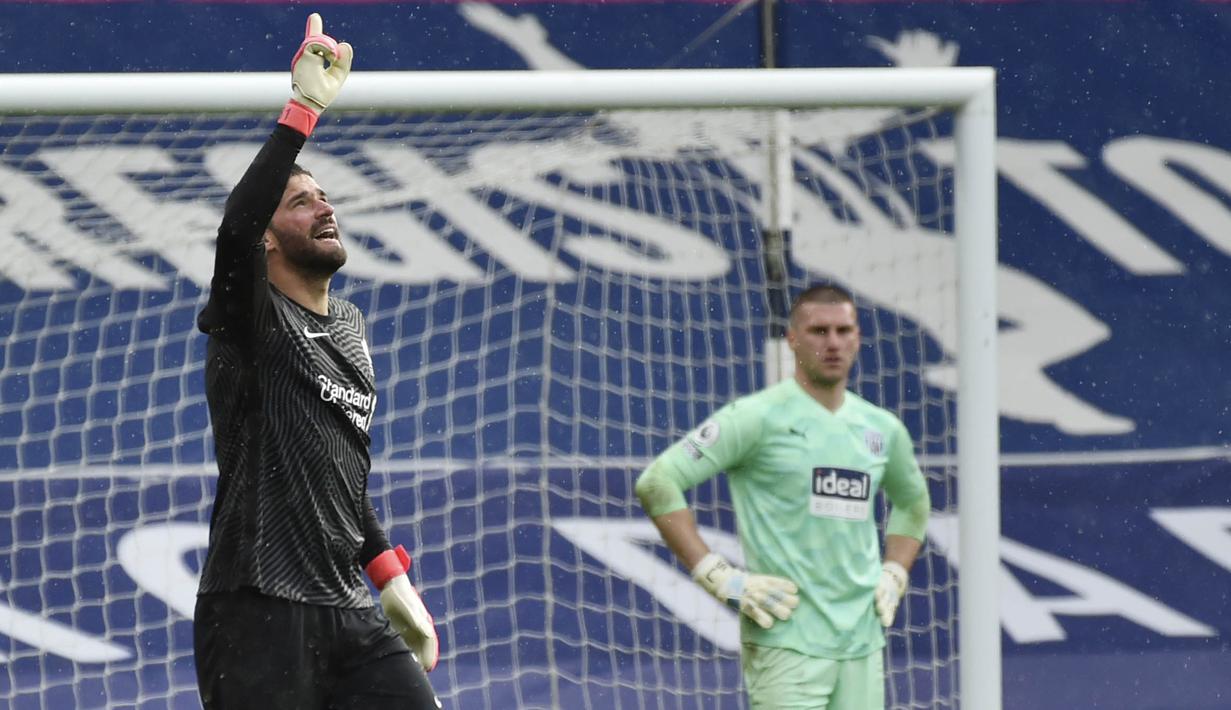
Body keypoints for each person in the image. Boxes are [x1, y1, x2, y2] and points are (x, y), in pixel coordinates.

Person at [193, 14, 442, 709]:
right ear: (267, 244)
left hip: (345, 606)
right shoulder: (251, 318)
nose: (323, 208)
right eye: (300, 203)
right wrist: (301, 113)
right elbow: (235, 226)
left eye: (324, 196)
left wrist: (390, 576)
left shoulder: (352, 328)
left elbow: (336, 473)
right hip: (256, 604)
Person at [635, 283, 931, 709]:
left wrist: (895, 574)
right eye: (818, 331)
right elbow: (657, 481)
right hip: (786, 640)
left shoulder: (881, 429)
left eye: (843, 330)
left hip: (862, 642)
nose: (833, 343)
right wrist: (717, 575)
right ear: (792, 339)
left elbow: (913, 502)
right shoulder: (756, 417)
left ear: (858, 337)